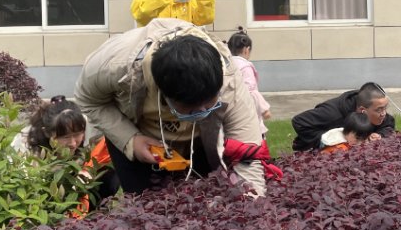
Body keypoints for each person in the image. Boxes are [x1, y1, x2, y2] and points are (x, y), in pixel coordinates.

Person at [74, 18, 267, 197]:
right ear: (162, 93)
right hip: (139, 132)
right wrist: (130, 140)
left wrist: (251, 203)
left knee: (205, 198)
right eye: (190, 110)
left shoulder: (230, 79)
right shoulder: (113, 66)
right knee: (144, 206)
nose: (201, 113)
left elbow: (247, 153)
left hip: (199, 142)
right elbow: (89, 100)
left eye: (208, 105)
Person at [291, 82, 396, 151]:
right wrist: (333, 138)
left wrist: (379, 134)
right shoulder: (331, 113)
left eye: (385, 108)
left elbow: (389, 126)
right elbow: (298, 122)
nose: (384, 114)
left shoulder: (378, 111)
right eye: (379, 110)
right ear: (362, 110)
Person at [227, 27, 271, 136]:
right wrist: (264, 109)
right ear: (247, 50)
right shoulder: (245, 67)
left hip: (230, 111)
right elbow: (251, 91)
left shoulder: (227, 64)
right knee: (254, 142)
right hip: (247, 113)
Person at [11, 95, 88, 156]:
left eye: (77, 135)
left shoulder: (87, 126)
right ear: (47, 133)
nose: (72, 143)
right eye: (65, 137)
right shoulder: (25, 144)